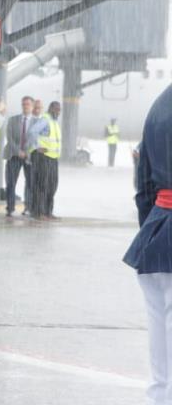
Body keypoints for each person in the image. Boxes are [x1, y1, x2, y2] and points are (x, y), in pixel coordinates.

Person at [123, 83, 172, 405]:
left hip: (157, 232)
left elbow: (143, 185)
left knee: (163, 366)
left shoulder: (159, 106)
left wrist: (154, 232)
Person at [28, 101, 62, 220]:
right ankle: (38, 212)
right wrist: (37, 146)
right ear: (50, 108)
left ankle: (48, 211)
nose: (58, 112)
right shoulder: (45, 120)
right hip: (43, 158)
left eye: (59, 110)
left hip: (53, 158)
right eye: (56, 109)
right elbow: (32, 132)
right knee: (42, 185)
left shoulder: (55, 122)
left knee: (52, 185)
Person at [4, 96, 35, 217]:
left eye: (28, 104)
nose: (25, 106)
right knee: (11, 182)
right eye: (24, 104)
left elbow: (36, 140)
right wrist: (18, 151)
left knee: (30, 183)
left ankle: (28, 207)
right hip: (13, 155)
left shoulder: (37, 122)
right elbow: (9, 137)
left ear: (32, 106)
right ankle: (10, 208)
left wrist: (26, 152)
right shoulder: (13, 120)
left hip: (29, 157)